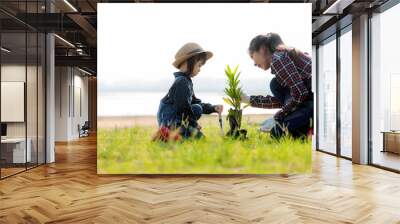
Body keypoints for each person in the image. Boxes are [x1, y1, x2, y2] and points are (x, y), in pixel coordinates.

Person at [241, 33, 313, 139]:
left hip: (314, 103)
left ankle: (308, 125)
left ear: (262, 49)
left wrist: (278, 117)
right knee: (275, 84)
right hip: (309, 101)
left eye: (252, 56)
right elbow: (286, 101)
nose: (254, 64)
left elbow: (300, 94)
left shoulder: (278, 59)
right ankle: (302, 128)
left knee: (277, 133)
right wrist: (249, 100)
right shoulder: (283, 55)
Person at [156, 42, 223, 139]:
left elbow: (195, 103)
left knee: (197, 108)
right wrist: (194, 125)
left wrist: (212, 108)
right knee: (200, 138)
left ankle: (177, 134)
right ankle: (168, 134)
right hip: (170, 122)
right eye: (199, 65)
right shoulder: (181, 82)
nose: (200, 69)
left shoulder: (186, 82)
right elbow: (184, 108)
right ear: (189, 62)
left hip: (178, 120)